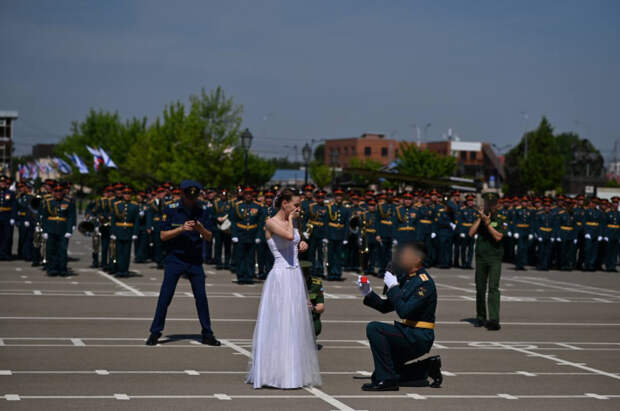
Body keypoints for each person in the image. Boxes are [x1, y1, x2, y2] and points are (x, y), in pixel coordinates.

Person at [246, 188, 321, 389]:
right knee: (279, 322)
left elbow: (294, 240)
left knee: (294, 322)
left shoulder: (292, 221)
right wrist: (292, 223)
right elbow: (288, 236)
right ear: (284, 204)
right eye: (295, 204)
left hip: (295, 275)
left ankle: (292, 373)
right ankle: (273, 373)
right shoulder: (271, 221)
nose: (298, 208)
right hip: (280, 276)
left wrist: (302, 243)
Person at [356, 242, 441, 391]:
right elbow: (385, 307)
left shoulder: (424, 283)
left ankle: (388, 381)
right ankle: (427, 367)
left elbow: (404, 311)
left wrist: (393, 287)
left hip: (419, 336)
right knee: (380, 373)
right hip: (408, 333)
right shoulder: (408, 279)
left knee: (375, 328)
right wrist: (368, 293)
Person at [146, 180, 220, 346]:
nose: (191, 201)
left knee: (201, 297)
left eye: (194, 197)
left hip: (195, 260)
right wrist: (181, 229)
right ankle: (155, 332)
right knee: (165, 296)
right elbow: (163, 235)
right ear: (182, 194)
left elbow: (209, 237)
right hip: (175, 259)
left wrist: (201, 229)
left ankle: (207, 333)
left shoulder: (203, 210)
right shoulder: (170, 209)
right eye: (188, 197)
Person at [468, 193, 505, 331]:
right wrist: (480, 219)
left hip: (494, 257)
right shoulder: (480, 217)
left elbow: (498, 237)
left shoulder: (501, 218)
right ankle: (481, 317)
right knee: (480, 288)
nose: (489, 205)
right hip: (481, 257)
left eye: (492, 203)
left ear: (497, 204)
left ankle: (494, 319)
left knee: (493, 288)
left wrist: (488, 224)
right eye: (487, 203)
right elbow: (470, 233)